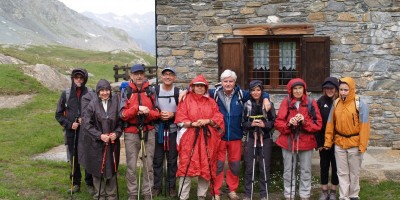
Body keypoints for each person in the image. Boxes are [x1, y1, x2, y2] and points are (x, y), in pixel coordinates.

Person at [208, 69, 271, 200]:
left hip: (236, 135)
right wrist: (185, 91)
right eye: (225, 81)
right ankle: (216, 191)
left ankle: (232, 190)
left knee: (235, 165)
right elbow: (198, 90)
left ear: (235, 82)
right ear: (221, 82)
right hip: (219, 136)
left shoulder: (242, 94)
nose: (228, 84)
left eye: (231, 81)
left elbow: (258, 92)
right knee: (218, 165)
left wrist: (266, 98)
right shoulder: (214, 93)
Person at [174, 74, 225, 200]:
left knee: (206, 166)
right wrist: (192, 123)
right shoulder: (185, 100)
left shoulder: (211, 102)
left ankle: (201, 196)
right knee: (186, 166)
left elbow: (218, 117)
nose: (200, 88)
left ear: (206, 88)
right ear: (193, 87)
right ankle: (183, 196)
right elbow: (180, 119)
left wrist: (208, 121)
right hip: (189, 138)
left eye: (202, 86)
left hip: (208, 138)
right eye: (197, 86)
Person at [274, 78, 322, 200]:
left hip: (306, 142)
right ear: (290, 90)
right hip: (288, 141)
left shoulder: (311, 102)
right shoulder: (286, 102)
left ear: (304, 89)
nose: (298, 91)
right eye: (295, 88)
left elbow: (318, 124)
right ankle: (289, 194)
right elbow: (278, 123)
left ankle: (304, 194)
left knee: (306, 170)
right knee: (288, 170)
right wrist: (289, 124)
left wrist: (304, 122)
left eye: (300, 88)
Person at [323, 77, 370, 200]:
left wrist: (362, 145)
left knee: (354, 173)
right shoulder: (336, 103)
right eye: (341, 89)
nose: (343, 92)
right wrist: (328, 142)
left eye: (346, 90)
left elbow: (364, 126)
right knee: (342, 173)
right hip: (339, 144)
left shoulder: (360, 104)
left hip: (354, 144)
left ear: (352, 90)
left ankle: (353, 195)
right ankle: (344, 196)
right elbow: (330, 124)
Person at [119, 64, 160, 200]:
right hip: (131, 132)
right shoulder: (126, 91)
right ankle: (132, 193)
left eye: (141, 73)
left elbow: (157, 113)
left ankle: (147, 193)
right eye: (136, 74)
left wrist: (148, 113)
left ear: (144, 75)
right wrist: (136, 108)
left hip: (149, 130)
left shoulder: (151, 91)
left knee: (148, 165)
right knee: (131, 165)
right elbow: (122, 114)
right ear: (131, 75)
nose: (139, 76)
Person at [55, 68, 94, 194]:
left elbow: (95, 112)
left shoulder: (90, 93)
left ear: (85, 79)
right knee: (74, 158)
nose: (78, 80)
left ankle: (90, 183)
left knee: (88, 156)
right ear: (72, 78)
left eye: (81, 78)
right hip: (72, 132)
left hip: (87, 132)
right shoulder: (65, 94)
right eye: (76, 77)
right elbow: (58, 114)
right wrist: (69, 124)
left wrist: (86, 120)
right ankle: (75, 183)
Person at [82, 79, 122, 200]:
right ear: (98, 92)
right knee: (97, 169)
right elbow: (87, 124)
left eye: (107, 90)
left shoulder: (116, 101)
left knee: (111, 169)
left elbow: (121, 122)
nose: (105, 93)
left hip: (112, 143)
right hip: (96, 143)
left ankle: (111, 196)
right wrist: (99, 135)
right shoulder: (92, 104)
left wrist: (116, 133)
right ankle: (100, 195)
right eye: (102, 90)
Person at [242, 80, 276, 200]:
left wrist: (264, 125)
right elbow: (242, 123)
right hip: (251, 137)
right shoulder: (246, 105)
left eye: (258, 90)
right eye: (253, 90)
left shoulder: (268, 104)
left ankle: (263, 194)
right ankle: (247, 194)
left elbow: (273, 122)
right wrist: (251, 124)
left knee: (264, 166)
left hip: (265, 138)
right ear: (250, 92)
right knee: (249, 166)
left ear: (262, 91)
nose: (255, 92)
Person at [152, 66, 181, 197]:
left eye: (170, 74)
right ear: (161, 77)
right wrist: (158, 114)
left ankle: (171, 187)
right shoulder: (155, 91)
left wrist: (172, 114)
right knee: (157, 160)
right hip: (158, 130)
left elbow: (183, 112)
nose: (168, 77)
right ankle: (157, 186)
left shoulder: (179, 92)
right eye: (165, 74)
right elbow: (150, 108)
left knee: (172, 160)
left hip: (173, 131)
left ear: (174, 77)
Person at [316, 77, 339, 200]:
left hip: (338, 141)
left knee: (336, 166)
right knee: (324, 165)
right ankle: (324, 190)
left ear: (336, 89)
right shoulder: (319, 102)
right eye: (327, 88)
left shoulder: (340, 101)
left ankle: (333, 191)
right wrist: (319, 143)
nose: (329, 90)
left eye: (332, 88)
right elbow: (317, 124)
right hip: (324, 141)